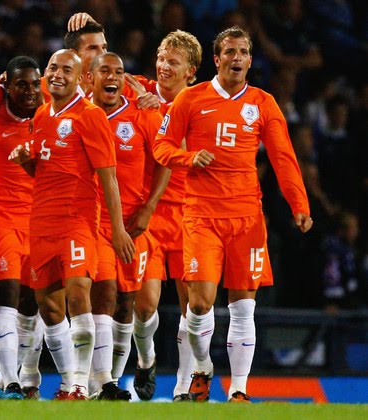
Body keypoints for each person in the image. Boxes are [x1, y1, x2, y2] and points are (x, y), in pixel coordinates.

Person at [153, 26, 313, 403]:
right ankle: (203, 367)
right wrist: (188, 157)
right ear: (217, 59)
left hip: (246, 218)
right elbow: (161, 147)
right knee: (199, 304)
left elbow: (283, 157)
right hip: (201, 215)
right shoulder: (191, 99)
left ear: (250, 60)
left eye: (242, 52)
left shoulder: (263, 103)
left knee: (243, 307)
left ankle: (239, 389)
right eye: (229, 51)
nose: (236, 57)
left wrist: (299, 204)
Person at [9, 49, 135, 400]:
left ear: (80, 79)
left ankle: (81, 383)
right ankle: (68, 382)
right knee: (49, 309)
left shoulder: (90, 115)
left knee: (79, 293)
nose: (58, 74)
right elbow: (44, 171)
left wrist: (118, 230)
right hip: (41, 222)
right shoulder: (42, 114)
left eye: (67, 69)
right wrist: (25, 162)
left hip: (77, 220)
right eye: (53, 68)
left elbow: (108, 178)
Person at [86, 52, 167, 400]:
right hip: (92, 224)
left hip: (133, 224)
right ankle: (99, 382)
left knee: (128, 304)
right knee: (102, 296)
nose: (113, 77)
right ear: (90, 78)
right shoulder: (78, 113)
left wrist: (149, 208)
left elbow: (165, 160)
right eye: (105, 71)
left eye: (119, 72)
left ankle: (113, 383)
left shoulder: (143, 115)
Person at [127, 30, 202, 402]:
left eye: (173, 62)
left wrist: (163, 112)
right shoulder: (136, 89)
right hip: (149, 214)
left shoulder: (202, 103)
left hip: (190, 213)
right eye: (161, 58)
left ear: (191, 72)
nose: (163, 66)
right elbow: (95, 72)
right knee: (144, 305)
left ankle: (184, 387)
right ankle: (146, 358)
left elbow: (184, 150)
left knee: (193, 305)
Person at [0, 56, 45, 400]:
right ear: (6, 85)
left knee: (32, 306)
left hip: (39, 221)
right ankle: (10, 380)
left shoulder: (50, 115)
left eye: (35, 84)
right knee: (6, 298)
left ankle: (11, 377)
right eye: (21, 84)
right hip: (1, 219)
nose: (30, 91)